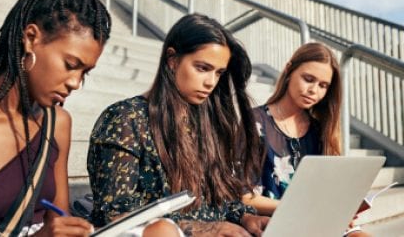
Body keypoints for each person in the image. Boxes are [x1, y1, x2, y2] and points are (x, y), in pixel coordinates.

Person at [88, 14, 269, 236]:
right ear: (172, 60)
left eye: (219, 73)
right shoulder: (125, 118)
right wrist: (206, 229)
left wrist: (247, 217)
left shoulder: (208, 124)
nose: (211, 82)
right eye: (202, 68)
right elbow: (115, 213)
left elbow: (223, 199)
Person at [0, 0, 117, 236]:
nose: (75, 83)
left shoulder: (57, 124)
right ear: (31, 38)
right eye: (71, 64)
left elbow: (59, 217)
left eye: (85, 72)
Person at [242, 42, 370, 236]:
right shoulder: (253, 123)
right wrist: (300, 209)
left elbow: (325, 192)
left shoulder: (320, 131)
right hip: (272, 222)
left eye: (323, 85)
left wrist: (341, 210)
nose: (314, 90)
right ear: (289, 69)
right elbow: (244, 197)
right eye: (308, 79)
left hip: (316, 222)